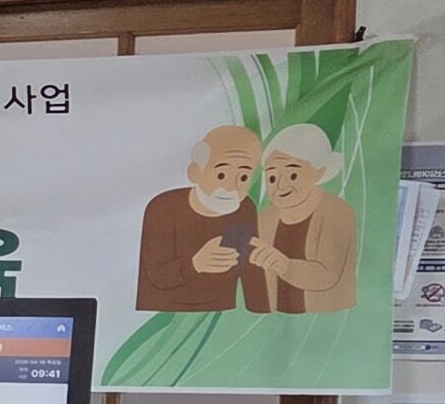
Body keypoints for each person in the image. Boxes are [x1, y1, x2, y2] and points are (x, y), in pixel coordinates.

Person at [134, 124, 264, 312]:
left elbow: (251, 276)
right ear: (195, 172)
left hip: (220, 315)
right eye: (221, 174)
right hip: (164, 316)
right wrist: (196, 263)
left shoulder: (244, 209)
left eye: (243, 177)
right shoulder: (163, 207)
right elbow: (158, 276)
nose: (231, 187)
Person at [247, 120, 358, 312]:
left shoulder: (337, 212)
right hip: (275, 320)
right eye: (272, 177)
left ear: (319, 172)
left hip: (323, 321)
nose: (280, 185)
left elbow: (328, 276)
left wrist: (285, 265)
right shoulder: (268, 216)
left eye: (292, 175)